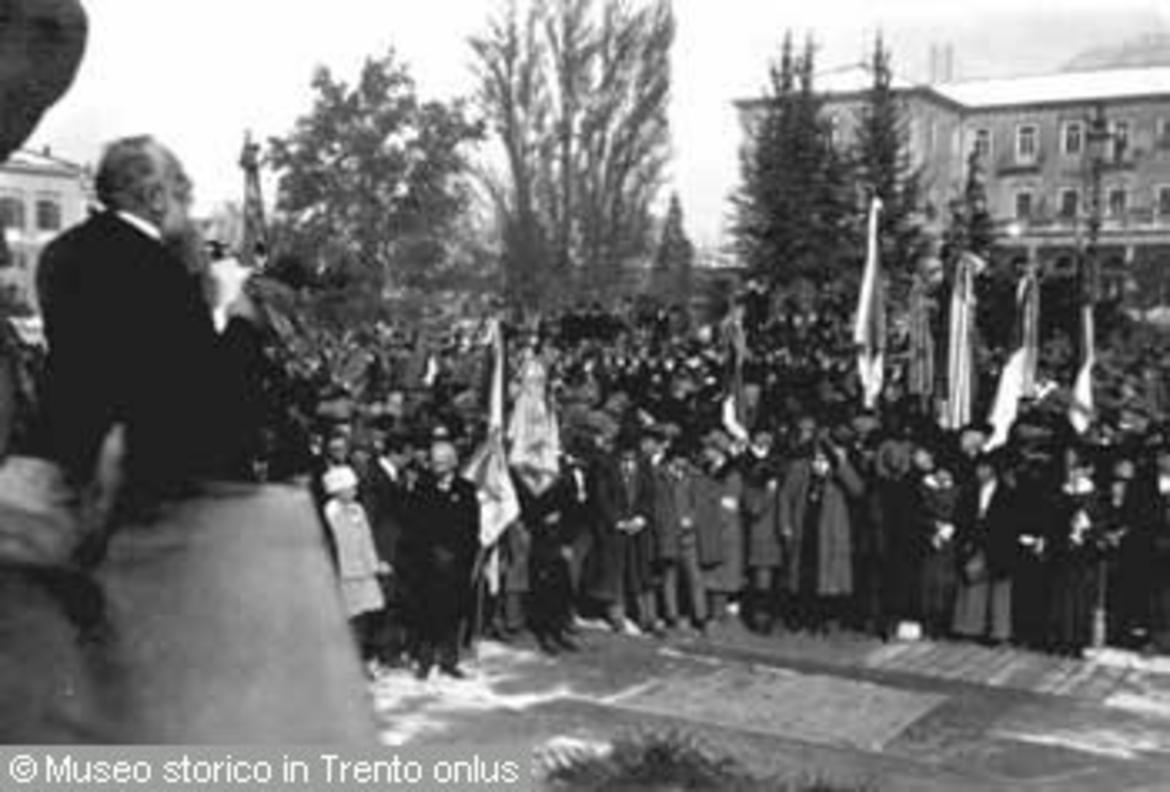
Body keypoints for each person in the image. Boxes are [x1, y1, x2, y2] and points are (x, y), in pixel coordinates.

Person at [37, 135, 262, 510]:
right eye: (180, 185)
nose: (188, 196)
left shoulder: (60, 252)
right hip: (156, 493)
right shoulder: (161, 270)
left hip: (75, 476)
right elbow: (211, 400)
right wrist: (242, 325)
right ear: (156, 198)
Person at [402, 440, 480, 679]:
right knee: (427, 612)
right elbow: (415, 525)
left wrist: (457, 553)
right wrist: (433, 551)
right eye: (435, 462)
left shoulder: (466, 489)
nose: (438, 466)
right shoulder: (421, 488)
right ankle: (424, 660)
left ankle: (449, 660)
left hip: (456, 562)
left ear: (454, 463)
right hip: (429, 562)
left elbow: (472, 526)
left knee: (453, 612)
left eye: (444, 462)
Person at [322, 465, 387, 677]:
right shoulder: (329, 512)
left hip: (364, 572)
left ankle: (362, 661)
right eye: (350, 487)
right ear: (337, 489)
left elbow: (367, 540)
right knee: (349, 620)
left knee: (367, 618)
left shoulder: (358, 509)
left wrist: (375, 565)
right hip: (344, 574)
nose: (355, 490)